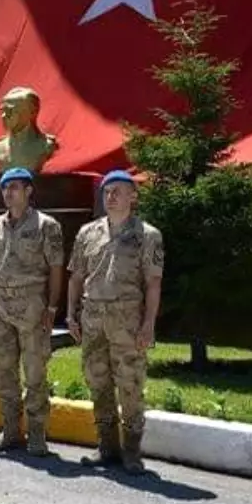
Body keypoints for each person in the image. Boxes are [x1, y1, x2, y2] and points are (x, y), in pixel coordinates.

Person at [67, 170, 164, 474]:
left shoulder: (147, 235)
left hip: (127, 322)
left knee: (130, 385)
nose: (110, 197)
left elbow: (153, 284)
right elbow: (77, 277)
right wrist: (71, 313)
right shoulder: (87, 233)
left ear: (132, 196)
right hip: (93, 319)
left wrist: (149, 324)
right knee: (98, 383)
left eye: (118, 192)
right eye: (107, 192)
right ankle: (107, 447)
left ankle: (132, 451)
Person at [0, 168, 65, 456]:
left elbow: (55, 269)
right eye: (5, 188)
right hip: (0, 306)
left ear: (28, 191)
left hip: (32, 307)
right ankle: (11, 431)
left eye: (15, 187)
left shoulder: (46, 226)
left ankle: (37, 435)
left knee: (35, 372)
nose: (9, 193)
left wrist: (52, 307)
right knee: (3, 371)